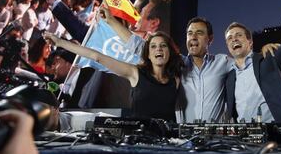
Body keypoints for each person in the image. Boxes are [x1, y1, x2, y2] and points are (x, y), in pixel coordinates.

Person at [44, 26, 183, 121]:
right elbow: (96, 56)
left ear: (169, 52)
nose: (158, 49)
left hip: (169, 143)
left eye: (163, 45)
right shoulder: (135, 72)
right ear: (148, 54)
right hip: (140, 142)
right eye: (153, 46)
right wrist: (60, 42)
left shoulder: (175, 80)